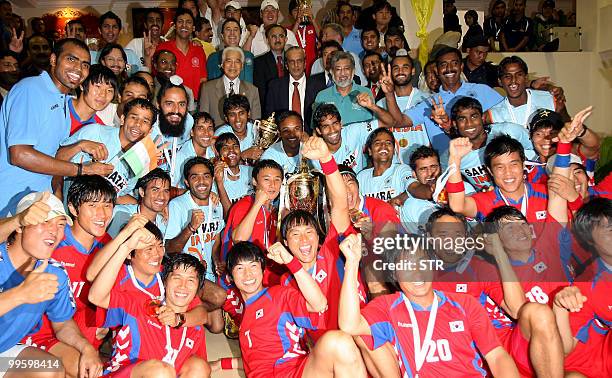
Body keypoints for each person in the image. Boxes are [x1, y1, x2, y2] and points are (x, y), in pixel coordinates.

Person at [338, 233, 520, 377]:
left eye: (422, 262)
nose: (417, 272)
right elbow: (349, 325)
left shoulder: (465, 304)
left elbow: (497, 356)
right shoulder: (388, 307)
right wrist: (352, 263)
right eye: (407, 267)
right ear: (394, 275)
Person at [227, 241, 367, 377]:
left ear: (263, 269)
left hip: (295, 370)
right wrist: (220, 364)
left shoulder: (277, 295)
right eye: (240, 268)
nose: (248, 274)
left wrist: (290, 261)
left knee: (338, 342)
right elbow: (256, 360)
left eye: (253, 266)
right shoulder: (244, 321)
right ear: (230, 277)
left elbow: (318, 304)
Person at [0, 192, 102, 377]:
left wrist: (87, 348)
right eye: (45, 221)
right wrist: (21, 294)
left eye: (60, 225)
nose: (54, 231)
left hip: (2, 356)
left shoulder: (55, 273)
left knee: (51, 369)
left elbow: (62, 324)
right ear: (21, 226)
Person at [0, 38, 105, 216]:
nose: (79, 69)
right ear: (54, 59)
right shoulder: (31, 89)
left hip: (40, 201)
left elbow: (54, 155)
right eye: (71, 59)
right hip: (13, 202)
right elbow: (19, 154)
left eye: (85, 64)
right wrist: (82, 170)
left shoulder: (62, 100)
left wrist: (56, 189)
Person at [21, 176, 115, 376]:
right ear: (72, 208)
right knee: (57, 371)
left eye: (107, 205)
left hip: (67, 330)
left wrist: (106, 320)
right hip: (31, 334)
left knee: (88, 366)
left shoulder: (107, 245)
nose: (102, 213)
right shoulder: (50, 244)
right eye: (92, 205)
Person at [89, 234, 212, 377]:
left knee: (200, 367)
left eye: (190, 280)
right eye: (177, 278)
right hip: (127, 373)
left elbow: (203, 315)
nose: (182, 286)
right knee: (161, 372)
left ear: (198, 289)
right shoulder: (141, 304)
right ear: (164, 281)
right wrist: (125, 248)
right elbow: (96, 297)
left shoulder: (194, 324)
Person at [384, 46, 504, 153]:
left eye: (454, 63)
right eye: (443, 65)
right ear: (436, 70)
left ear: (461, 66)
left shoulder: (481, 90)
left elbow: (506, 113)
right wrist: (389, 94)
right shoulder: (429, 103)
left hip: (482, 161)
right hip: (448, 168)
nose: (449, 68)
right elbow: (399, 122)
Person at [555, 198, 612, 377]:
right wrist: (560, 306)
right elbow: (566, 348)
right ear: (590, 240)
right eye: (608, 230)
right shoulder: (588, 284)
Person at [57, 98, 157, 200]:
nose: (138, 124)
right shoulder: (95, 131)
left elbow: (120, 195)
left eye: (145, 121)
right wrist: (80, 145)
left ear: (150, 130)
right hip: (70, 198)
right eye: (133, 117)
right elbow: (57, 158)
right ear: (123, 119)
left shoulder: (139, 159)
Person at [439, 97, 534, 191]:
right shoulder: (452, 155)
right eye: (462, 119)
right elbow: (447, 186)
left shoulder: (508, 131)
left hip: (526, 189)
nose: (469, 124)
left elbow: (538, 148)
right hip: (487, 202)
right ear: (455, 124)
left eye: (474, 116)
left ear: (483, 118)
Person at [165, 157, 225, 283]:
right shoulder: (177, 205)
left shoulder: (216, 204)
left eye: (206, 176)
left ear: (213, 179)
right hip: (185, 274)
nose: (201, 181)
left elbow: (216, 239)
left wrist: (216, 260)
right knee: (219, 296)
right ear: (187, 182)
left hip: (210, 274)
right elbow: (170, 250)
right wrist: (190, 227)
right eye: (195, 177)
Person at [371, 52, 429, 164]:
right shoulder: (380, 104)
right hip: (393, 167)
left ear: (413, 71)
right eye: (396, 68)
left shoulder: (426, 99)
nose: (400, 71)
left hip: (423, 165)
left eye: (405, 67)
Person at [264, 46, 324, 133]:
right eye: (292, 62)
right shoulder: (275, 86)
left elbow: (321, 117)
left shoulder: (318, 86)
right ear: (286, 65)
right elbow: (269, 116)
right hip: (283, 136)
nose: (296, 65)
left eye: (299, 61)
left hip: (310, 137)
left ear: (305, 63)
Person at [198, 47, 261, 127]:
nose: (233, 65)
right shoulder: (207, 88)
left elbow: (255, 123)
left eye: (237, 61)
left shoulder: (252, 90)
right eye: (229, 61)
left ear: (242, 66)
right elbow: (203, 120)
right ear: (222, 64)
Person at [156, 8, 207, 101]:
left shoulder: (199, 50)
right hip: (170, 101)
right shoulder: (163, 48)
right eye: (180, 21)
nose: (184, 25)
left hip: (195, 104)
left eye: (188, 22)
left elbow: (203, 80)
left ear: (193, 27)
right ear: (175, 26)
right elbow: (156, 77)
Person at [313, 51, 377, 125]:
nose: (342, 73)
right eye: (338, 69)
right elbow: (316, 128)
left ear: (353, 71)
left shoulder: (366, 92)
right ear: (331, 72)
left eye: (346, 68)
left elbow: (374, 123)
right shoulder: (322, 96)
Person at [357, 128, 414, 206]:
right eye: (377, 143)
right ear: (370, 151)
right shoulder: (361, 177)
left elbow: (414, 187)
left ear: (394, 150)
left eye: (388, 143)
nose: (383, 146)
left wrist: (401, 197)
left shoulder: (401, 170)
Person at [107, 168, 170, 238]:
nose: (161, 196)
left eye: (166, 191)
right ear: (142, 192)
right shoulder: (120, 213)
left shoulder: (163, 222)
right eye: (155, 190)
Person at [311, 104, 372, 173]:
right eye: (326, 126)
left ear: (341, 123)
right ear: (318, 130)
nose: (332, 130)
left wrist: (373, 106)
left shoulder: (353, 132)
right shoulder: (316, 156)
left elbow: (384, 124)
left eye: (335, 123)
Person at [212, 132, 253, 217]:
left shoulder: (251, 172)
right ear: (219, 154)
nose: (231, 150)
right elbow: (228, 216)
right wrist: (219, 183)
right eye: (225, 147)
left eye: (235, 146)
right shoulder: (214, 180)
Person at [68, 64, 117, 135]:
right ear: (82, 85)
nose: (103, 94)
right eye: (98, 86)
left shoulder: (99, 131)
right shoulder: (59, 106)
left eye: (109, 90)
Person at [172, 111, 217, 188]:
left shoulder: (213, 150)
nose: (206, 133)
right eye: (201, 128)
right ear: (192, 132)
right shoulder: (182, 156)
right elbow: (170, 187)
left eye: (210, 128)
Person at [213, 94, 262, 162]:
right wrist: (243, 155)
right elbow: (217, 162)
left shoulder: (257, 131)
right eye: (232, 115)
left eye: (241, 113)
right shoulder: (220, 134)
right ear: (226, 118)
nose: (237, 119)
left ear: (248, 114)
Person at [260, 110, 308, 180]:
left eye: (296, 129)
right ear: (279, 133)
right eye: (286, 130)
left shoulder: (312, 151)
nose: (292, 134)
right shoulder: (269, 156)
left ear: (302, 130)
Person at [206, 18, 255, 83]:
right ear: (222, 36)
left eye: (235, 30)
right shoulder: (213, 58)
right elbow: (212, 84)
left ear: (240, 35)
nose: (232, 33)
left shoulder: (249, 56)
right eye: (228, 29)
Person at [253, 24, 288, 110]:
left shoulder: (293, 60)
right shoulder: (259, 62)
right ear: (267, 40)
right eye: (273, 36)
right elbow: (260, 92)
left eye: (281, 36)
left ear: (286, 39)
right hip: (269, 110)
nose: (277, 40)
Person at [287, 0, 319, 75]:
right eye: (296, 10)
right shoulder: (288, 30)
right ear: (290, 14)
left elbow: (322, 38)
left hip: (313, 69)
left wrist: (313, 20)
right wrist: (297, 22)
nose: (299, 13)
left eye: (301, 10)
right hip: (295, 69)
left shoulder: (313, 27)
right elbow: (288, 42)